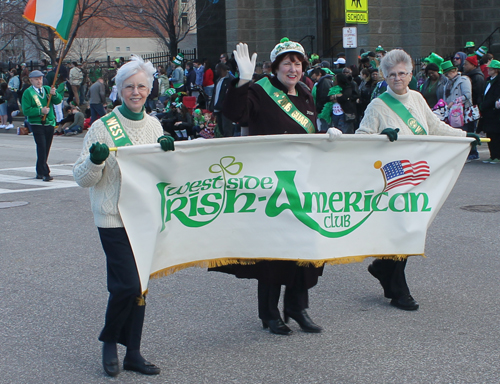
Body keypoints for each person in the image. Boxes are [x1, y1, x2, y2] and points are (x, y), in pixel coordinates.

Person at [73, 54, 175, 377]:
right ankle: (108, 340)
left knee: (140, 287)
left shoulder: (155, 125)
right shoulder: (103, 128)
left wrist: (169, 157)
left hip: (145, 218)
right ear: (118, 89)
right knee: (127, 285)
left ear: (149, 90)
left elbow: (165, 177)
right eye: (129, 86)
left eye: (141, 86)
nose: (135, 92)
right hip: (113, 218)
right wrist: (94, 161)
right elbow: (81, 177)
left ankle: (133, 351)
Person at [356, 49, 479, 311]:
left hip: (418, 177)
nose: (397, 78)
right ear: (385, 77)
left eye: (402, 73)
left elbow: (435, 127)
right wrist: (379, 137)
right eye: (391, 75)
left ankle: (384, 270)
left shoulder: (418, 99)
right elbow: (360, 138)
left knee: (409, 231)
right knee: (402, 233)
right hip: (391, 180)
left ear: (411, 74)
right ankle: (400, 291)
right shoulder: (377, 105)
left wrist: (465, 136)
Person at [218, 39, 324, 335]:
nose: (293, 69)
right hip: (269, 185)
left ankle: (297, 307)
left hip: (301, 183)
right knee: (273, 251)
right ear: (275, 67)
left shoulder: (305, 93)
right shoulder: (259, 91)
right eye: (287, 63)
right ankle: (270, 313)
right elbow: (236, 114)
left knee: (304, 248)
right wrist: (242, 80)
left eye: (298, 63)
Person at [21, 70, 63, 181]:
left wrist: (55, 94)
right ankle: (45, 173)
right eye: (36, 79)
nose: (39, 81)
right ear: (31, 80)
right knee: (42, 147)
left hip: (49, 122)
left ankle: (39, 171)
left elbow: (58, 100)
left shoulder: (47, 89)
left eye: (40, 78)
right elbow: (26, 110)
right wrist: (40, 111)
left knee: (46, 148)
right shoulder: (28, 93)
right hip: (36, 123)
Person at [478, 60, 500, 163]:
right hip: (487, 112)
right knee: (489, 134)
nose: (488, 70)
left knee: (496, 135)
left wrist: (486, 104)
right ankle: (492, 155)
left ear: (496, 70)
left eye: (490, 69)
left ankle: (497, 156)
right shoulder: (488, 80)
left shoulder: (498, 81)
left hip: (494, 112)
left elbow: (495, 95)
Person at [442, 60, 472, 131]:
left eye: (447, 74)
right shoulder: (447, 83)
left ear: (453, 71)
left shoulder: (463, 80)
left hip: (462, 113)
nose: (446, 77)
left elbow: (468, 95)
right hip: (451, 114)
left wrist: (454, 102)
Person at [209, 63, 234, 137]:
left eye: (217, 69)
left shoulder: (231, 80)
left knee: (227, 129)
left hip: (226, 109)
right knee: (221, 128)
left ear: (221, 70)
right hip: (217, 108)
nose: (215, 71)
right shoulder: (218, 80)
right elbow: (215, 94)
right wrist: (212, 107)